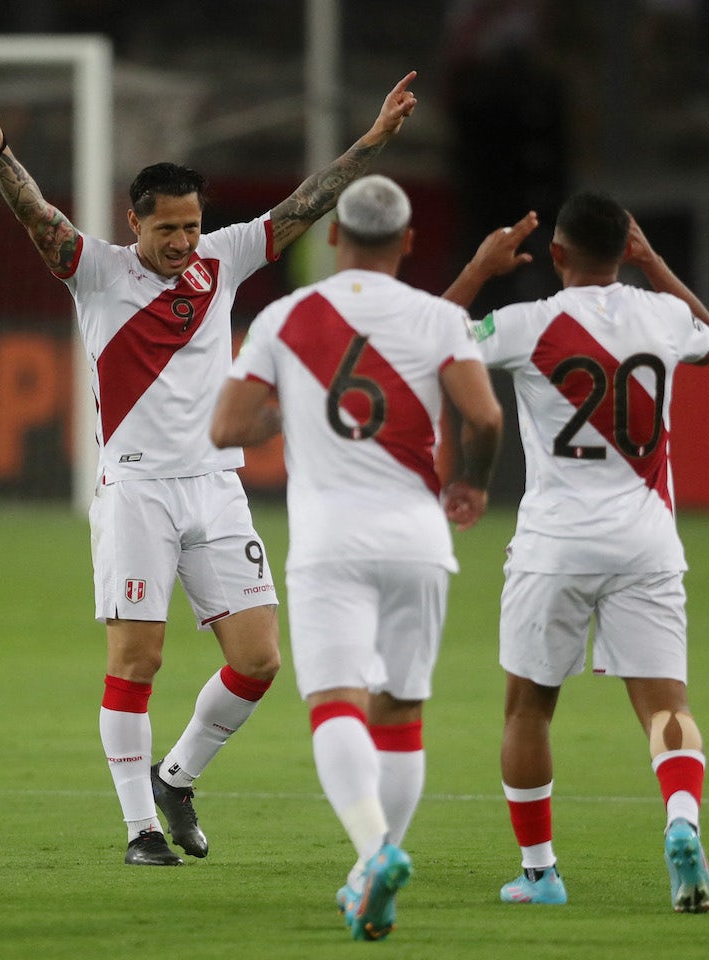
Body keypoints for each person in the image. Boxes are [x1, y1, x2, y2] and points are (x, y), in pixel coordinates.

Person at [0, 70, 418, 867]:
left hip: (215, 486)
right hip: (136, 492)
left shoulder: (223, 259)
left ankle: (177, 778)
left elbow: (305, 203)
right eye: (167, 229)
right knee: (138, 661)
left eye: (192, 227)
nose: (182, 243)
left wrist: (372, 144)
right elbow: (37, 215)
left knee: (260, 660)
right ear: (134, 222)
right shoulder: (93, 270)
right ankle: (139, 829)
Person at [210, 175, 502, 939]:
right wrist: (471, 482)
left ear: (334, 237)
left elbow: (226, 427)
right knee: (402, 711)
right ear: (408, 243)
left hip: (331, 543)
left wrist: (293, 414)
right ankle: (378, 866)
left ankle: (373, 854)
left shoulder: (286, 317)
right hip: (419, 541)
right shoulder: (439, 319)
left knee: (336, 702)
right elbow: (485, 415)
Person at [444, 191, 709, 912]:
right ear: (625, 247)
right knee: (668, 703)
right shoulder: (663, 316)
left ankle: (540, 875)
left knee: (528, 710)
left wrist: (478, 270)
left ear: (557, 254)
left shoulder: (525, 324)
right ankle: (682, 822)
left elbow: (425, 341)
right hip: (647, 541)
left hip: (555, 545)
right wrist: (656, 265)